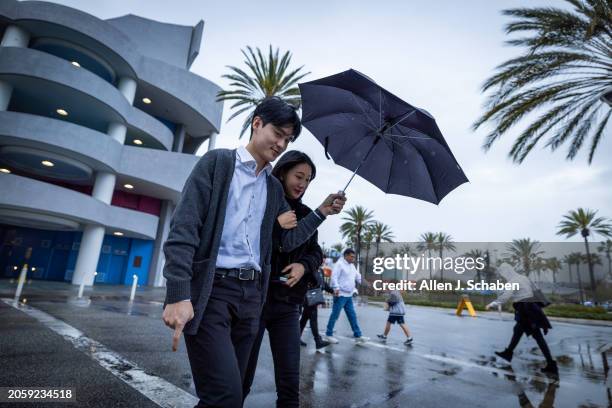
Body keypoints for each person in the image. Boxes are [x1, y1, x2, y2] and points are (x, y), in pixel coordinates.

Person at [161, 97, 347, 408]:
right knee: (226, 395)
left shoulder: (273, 189)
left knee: (227, 396)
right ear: (257, 123)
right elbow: (183, 230)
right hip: (214, 293)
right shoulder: (217, 164)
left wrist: (322, 212)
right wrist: (178, 293)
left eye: (287, 139)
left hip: (251, 299)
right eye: (278, 133)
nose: (281, 143)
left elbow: (286, 243)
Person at [242, 150, 324, 408]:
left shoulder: (307, 213)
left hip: (288, 306)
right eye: (298, 176)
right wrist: (276, 225)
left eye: (308, 180)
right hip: (254, 302)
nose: (302, 183)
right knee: (240, 380)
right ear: (283, 171)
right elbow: (251, 242)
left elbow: (316, 252)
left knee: (289, 385)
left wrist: (303, 265)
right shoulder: (262, 202)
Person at [485, 263, 558, 376]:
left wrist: (491, 305)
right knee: (518, 330)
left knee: (537, 336)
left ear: (507, 272)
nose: (503, 276)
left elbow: (504, 298)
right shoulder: (524, 278)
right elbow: (536, 291)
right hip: (532, 308)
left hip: (525, 310)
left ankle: (551, 364)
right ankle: (508, 353)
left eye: (503, 273)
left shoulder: (512, 282)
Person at [324, 249, 369, 343]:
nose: (353, 258)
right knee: (335, 315)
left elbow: (358, 277)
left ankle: (358, 336)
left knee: (352, 316)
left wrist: (367, 284)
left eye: (354, 257)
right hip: (340, 294)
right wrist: (336, 288)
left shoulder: (352, 266)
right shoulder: (339, 264)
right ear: (346, 256)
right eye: (352, 256)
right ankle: (328, 335)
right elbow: (334, 277)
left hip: (349, 295)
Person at [299, 262, 334, 349]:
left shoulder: (320, 270)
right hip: (309, 296)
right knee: (313, 319)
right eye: (322, 259)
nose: (323, 261)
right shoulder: (310, 269)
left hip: (315, 296)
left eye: (324, 259)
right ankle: (318, 341)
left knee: (304, 319)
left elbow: (323, 284)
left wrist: (332, 291)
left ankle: (295, 338)